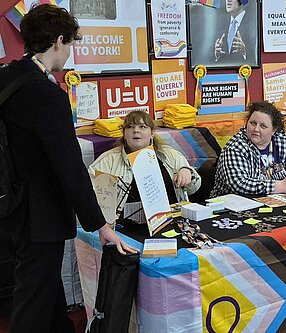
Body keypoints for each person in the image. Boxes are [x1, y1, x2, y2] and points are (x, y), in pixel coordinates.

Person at [0, 4, 138, 333]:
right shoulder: (47, 95)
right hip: (39, 217)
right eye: (71, 43)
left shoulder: (7, 76)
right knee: (33, 303)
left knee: (47, 295)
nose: (70, 52)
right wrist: (99, 224)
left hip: (10, 206)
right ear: (59, 40)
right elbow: (69, 167)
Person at [89, 111, 201, 221]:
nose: (136, 131)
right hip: (126, 226)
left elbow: (194, 189)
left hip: (172, 220)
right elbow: (89, 195)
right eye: (130, 127)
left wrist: (187, 172)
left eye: (142, 127)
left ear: (152, 133)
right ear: (124, 133)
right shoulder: (108, 161)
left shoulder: (169, 154)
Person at [211, 101, 286, 197]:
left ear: (273, 130)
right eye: (253, 123)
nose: (256, 129)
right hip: (231, 204)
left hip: (273, 198)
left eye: (263, 126)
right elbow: (239, 184)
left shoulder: (282, 141)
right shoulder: (235, 147)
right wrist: (280, 186)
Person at [214, 0, 256, 65]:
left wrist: (244, 53)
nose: (228, 0)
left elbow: (258, 57)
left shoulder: (253, 22)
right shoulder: (221, 24)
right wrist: (217, 56)